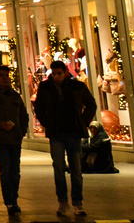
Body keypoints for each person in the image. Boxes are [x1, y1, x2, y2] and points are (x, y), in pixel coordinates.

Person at [33, 60, 96, 218]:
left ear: (65, 72)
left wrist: (83, 122)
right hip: (56, 133)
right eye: (53, 74)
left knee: (75, 168)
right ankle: (62, 201)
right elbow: (39, 106)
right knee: (59, 167)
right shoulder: (46, 87)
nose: (56, 77)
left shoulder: (77, 86)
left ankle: (77, 202)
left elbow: (91, 104)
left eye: (59, 73)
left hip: (73, 132)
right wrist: (46, 123)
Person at [0, 64, 29, 213]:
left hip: (15, 139)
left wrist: (21, 131)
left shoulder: (15, 96)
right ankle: (8, 201)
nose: (5, 78)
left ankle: (14, 199)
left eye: (6, 75)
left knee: (15, 172)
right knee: (6, 170)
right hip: (0, 139)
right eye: (1, 75)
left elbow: (24, 115)